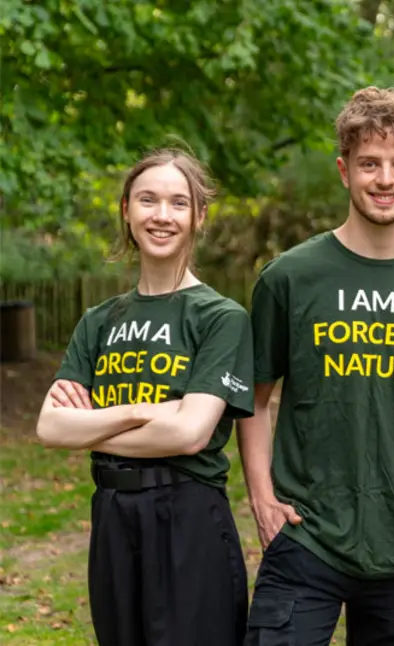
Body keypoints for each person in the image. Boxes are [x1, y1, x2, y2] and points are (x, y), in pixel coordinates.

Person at [239, 87, 394, 645]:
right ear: (344, 170)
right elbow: (256, 396)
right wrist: (262, 496)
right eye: (370, 163)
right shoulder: (289, 278)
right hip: (306, 534)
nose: (385, 179)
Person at [35, 149, 254, 646]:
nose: (161, 215)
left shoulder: (220, 317)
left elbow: (190, 432)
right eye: (147, 200)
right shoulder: (99, 320)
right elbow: (50, 428)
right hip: (112, 514)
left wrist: (94, 425)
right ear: (126, 211)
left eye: (178, 203)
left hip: (188, 515)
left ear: (199, 216)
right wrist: (138, 412)